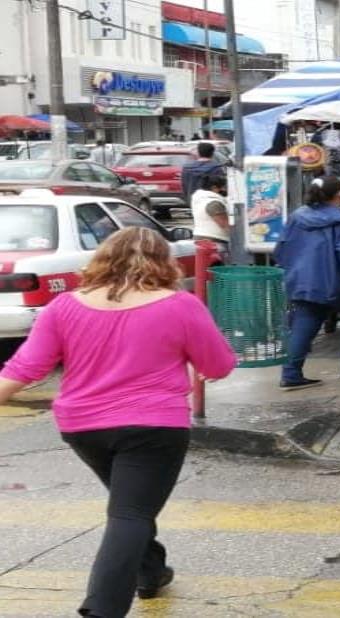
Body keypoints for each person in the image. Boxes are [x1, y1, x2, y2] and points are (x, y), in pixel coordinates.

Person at [0, 227, 236, 618]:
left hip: (83, 428)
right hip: (154, 427)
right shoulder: (180, 305)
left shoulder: (64, 306)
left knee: (131, 503)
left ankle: (151, 571)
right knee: (130, 513)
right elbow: (218, 366)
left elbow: (26, 367)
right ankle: (103, 609)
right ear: (163, 262)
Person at [274, 176, 340, 390]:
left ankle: (291, 374)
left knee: (304, 324)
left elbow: (281, 249)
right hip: (338, 283)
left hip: (302, 281)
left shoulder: (297, 217)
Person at [190, 174, 231, 264]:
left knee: (204, 269)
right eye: (224, 187)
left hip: (199, 238)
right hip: (214, 241)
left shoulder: (200, 199)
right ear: (214, 188)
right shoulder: (214, 203)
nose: (225, 190)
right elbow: (225, 224)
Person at [180, 142, 225, 207]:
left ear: (198, 153)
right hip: (213, 202)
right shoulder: (217, 168)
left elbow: (184, 186)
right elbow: (221, 187)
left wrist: (188, 199)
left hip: (194, 200)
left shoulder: (187, 168)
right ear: (212, 153)